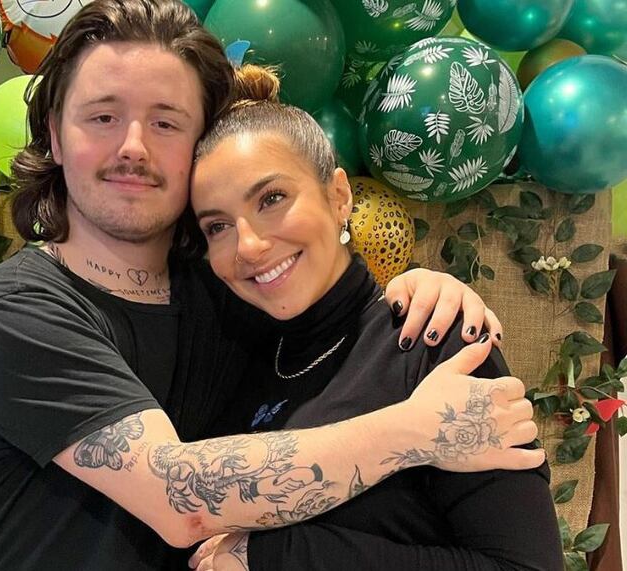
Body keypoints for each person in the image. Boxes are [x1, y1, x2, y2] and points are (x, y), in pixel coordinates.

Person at [0, 1, 543, 569]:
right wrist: (418, 430)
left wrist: (422, 288)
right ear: (55, 135)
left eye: (166, 122)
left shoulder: (233, 296)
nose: (133, 146)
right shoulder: (16, 309)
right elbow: (179, 496)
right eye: (103, 117)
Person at [187, 67, 562, 571]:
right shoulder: (236, 367)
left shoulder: (434, 340)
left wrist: (277, 555)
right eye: (217, 226)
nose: (249, 246)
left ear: (339, 195)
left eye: (272, 199)